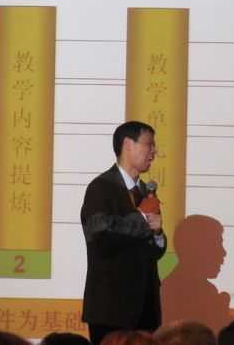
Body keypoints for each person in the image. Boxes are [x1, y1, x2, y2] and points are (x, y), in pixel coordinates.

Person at [81, 121, 167, 345]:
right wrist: (142, 219)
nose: (154, 151)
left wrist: (158, 234)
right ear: (128, 145)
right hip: (111, 308)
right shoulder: (100, 187)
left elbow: (152, 251)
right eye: (149, 144)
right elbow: (99, 234)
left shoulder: (145, 192)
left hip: (146, 309)